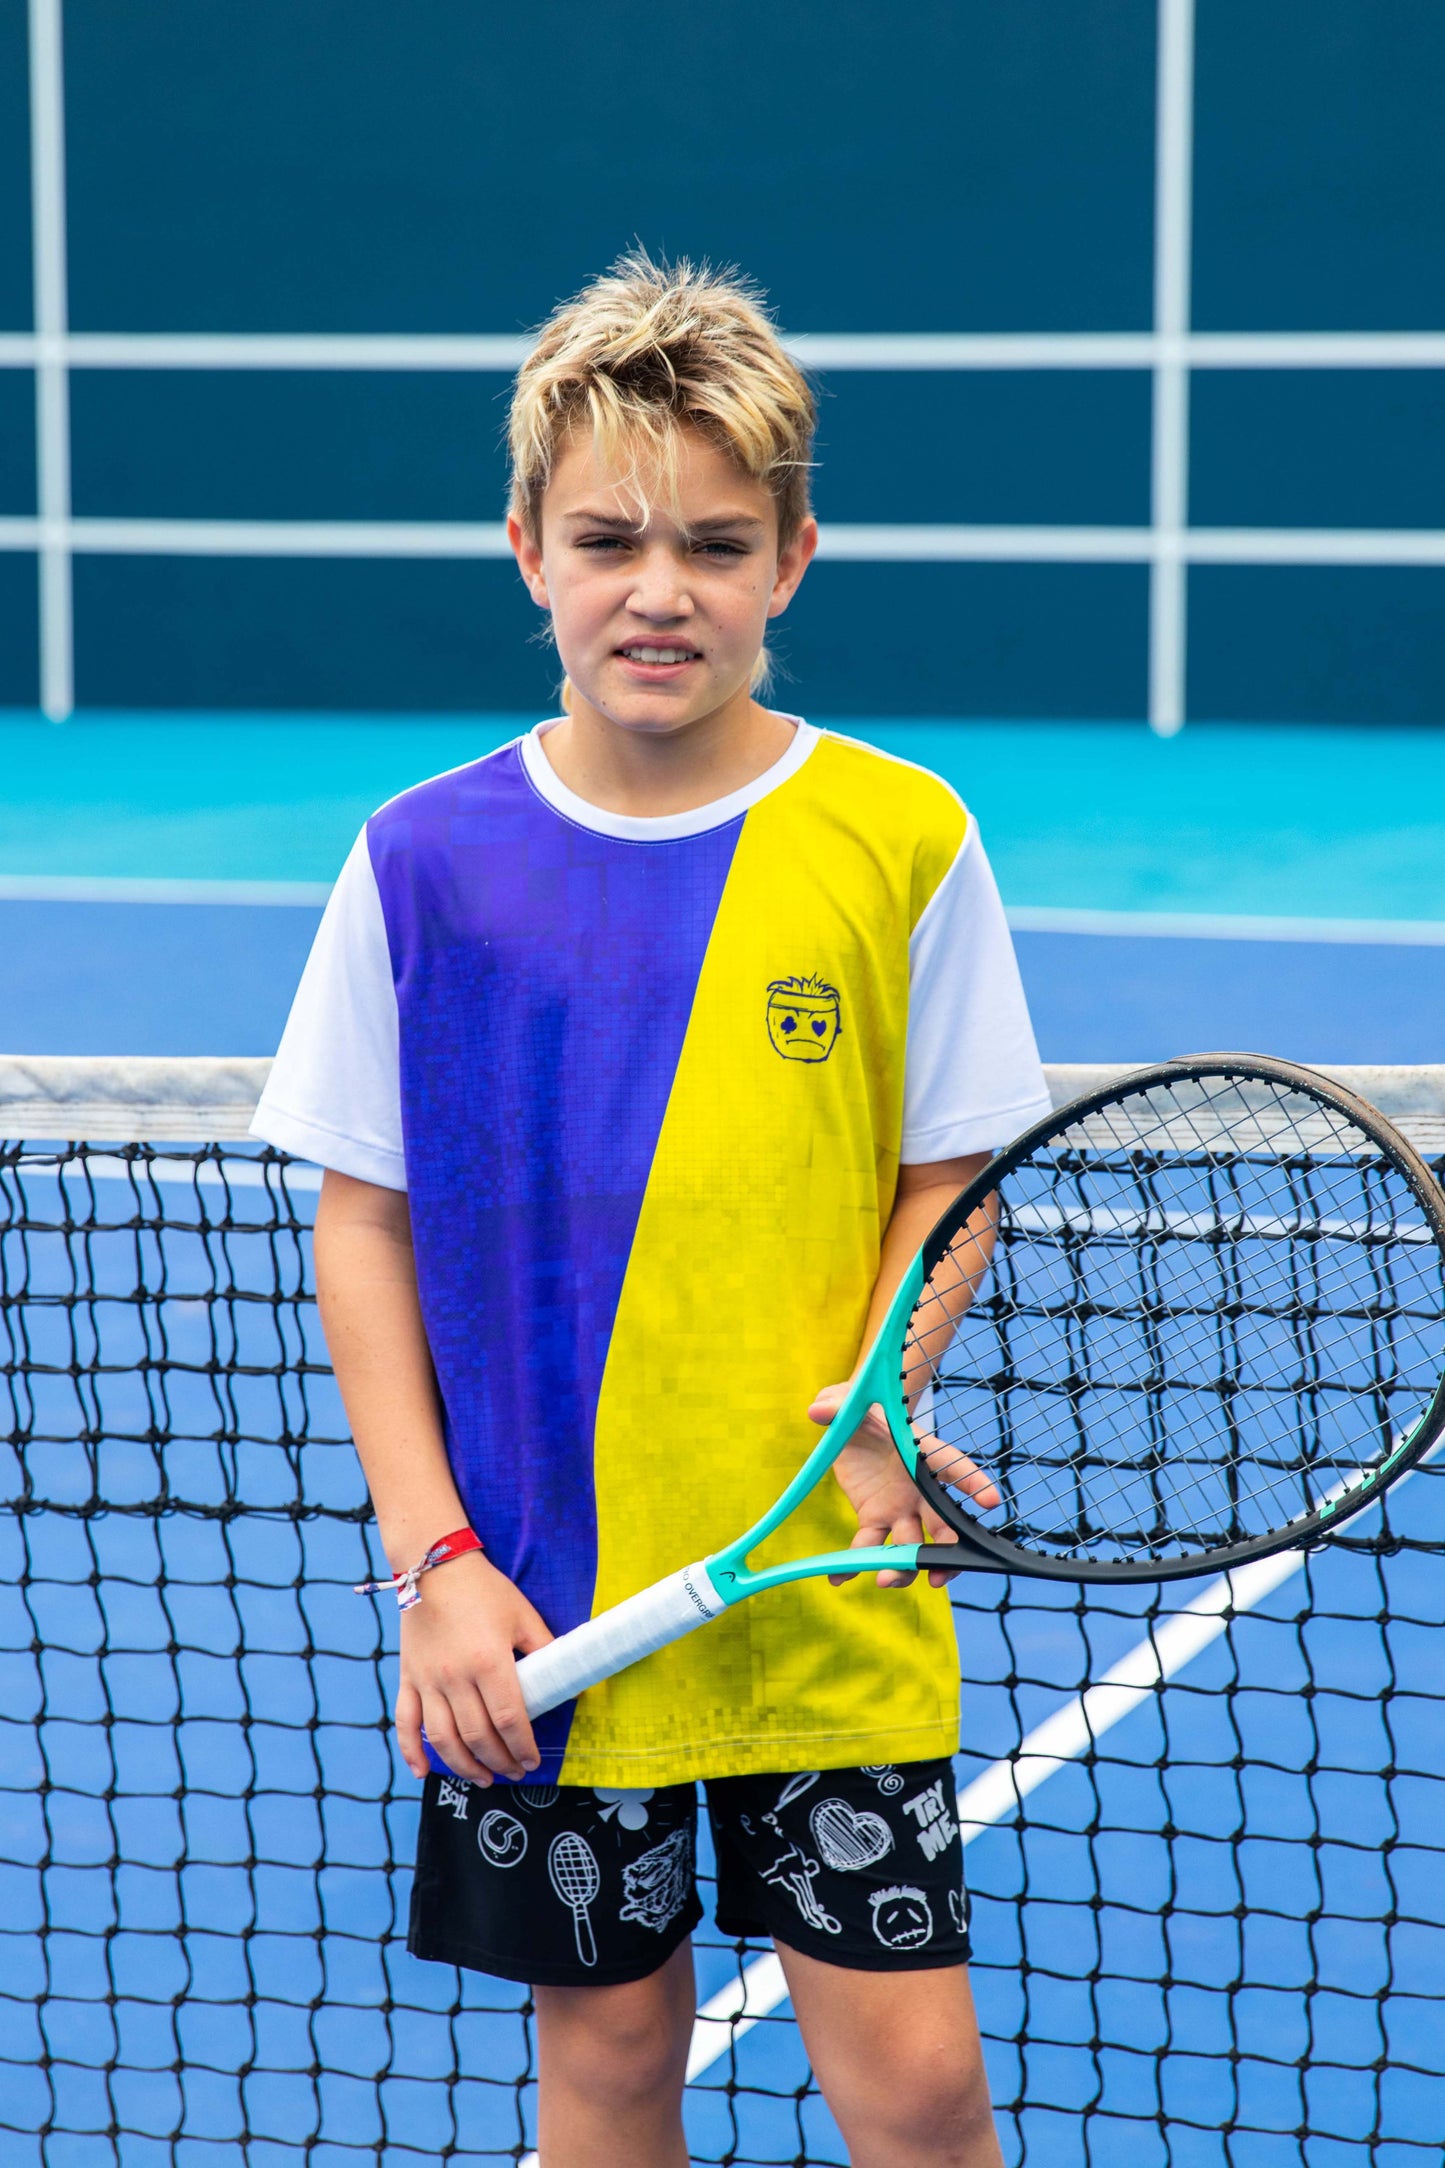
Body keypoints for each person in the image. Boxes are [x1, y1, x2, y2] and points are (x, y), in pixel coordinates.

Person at [252, 251, 1051, 2168]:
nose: (659, 588)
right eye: (608, 538)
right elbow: (358, 1217)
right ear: (527, 546)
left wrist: (883, 1396)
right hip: (541, 1614)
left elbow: (953, 1176)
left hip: (822, 1599)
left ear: (791, 556)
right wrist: (432, 1561)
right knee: (605, 2075)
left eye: (713, 541)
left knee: (923, 2091)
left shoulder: (904, 836)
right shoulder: (420, 861)